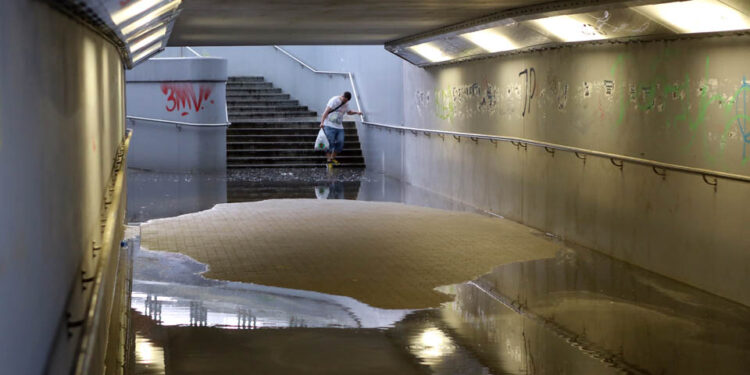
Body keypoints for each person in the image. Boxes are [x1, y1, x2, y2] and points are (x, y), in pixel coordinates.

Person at [319, 91, 362, 170]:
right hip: (329, 125)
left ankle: (332, 158)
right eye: (344, 100)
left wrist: (356, 112)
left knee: (340, 142)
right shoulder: (334, 100)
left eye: (346, 101)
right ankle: (329, 160)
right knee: (330, 142)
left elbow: (349, 112)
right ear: (342, 96)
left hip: (339, 126)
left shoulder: (346, 103)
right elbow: (326, 111)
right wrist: (322, 122)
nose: (345, 102)